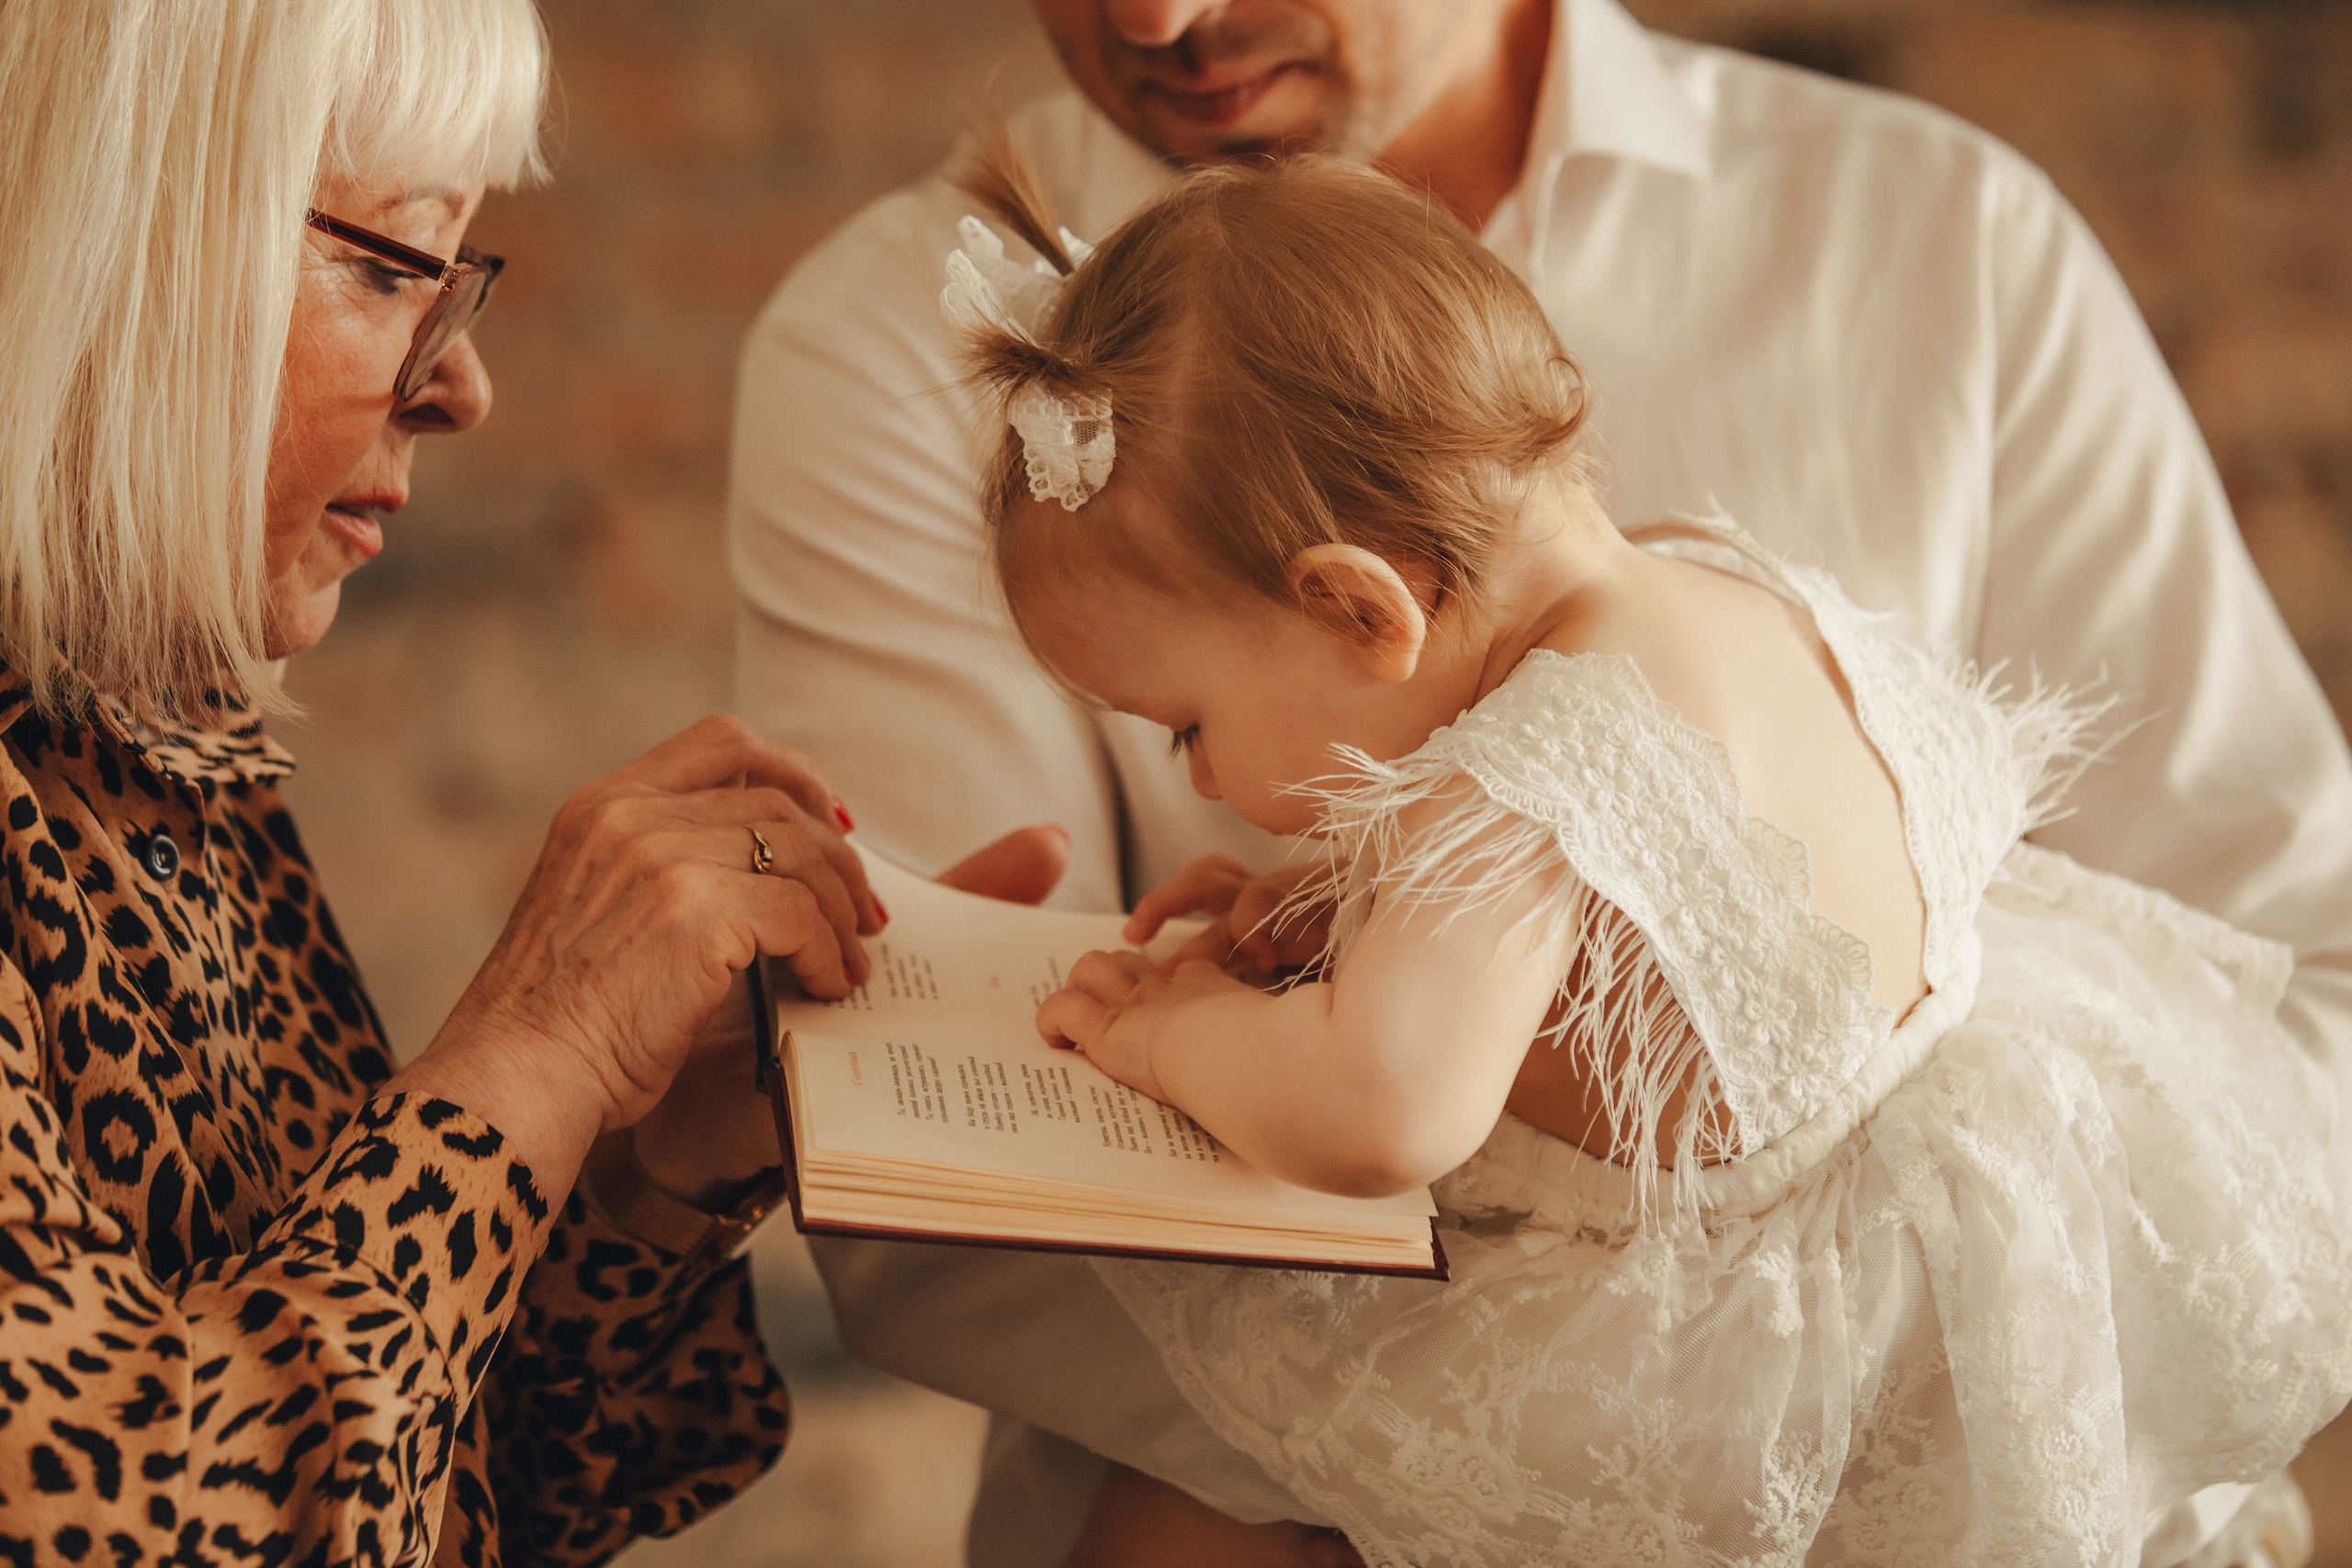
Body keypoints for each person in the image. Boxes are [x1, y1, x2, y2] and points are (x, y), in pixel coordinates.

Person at [727, 0, 2352, 1561]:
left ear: (1358, 606)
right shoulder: (1704, 583)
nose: (1203, 779)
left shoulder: (1517, 773)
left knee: (1167, 1536)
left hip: (1740, 1349)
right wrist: (1339, 905)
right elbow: (1651, 911)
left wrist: (1170, 1029)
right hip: (2012, 1181)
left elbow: (1385, 1108)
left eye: (1183, 729)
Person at [0, 2, 1063, 1563]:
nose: (461, 387)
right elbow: (111, 1528)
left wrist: (641, 1171)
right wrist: (541, 1049)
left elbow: (442, 1497)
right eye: (384, 267)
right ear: (108, 234)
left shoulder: (150, 743)